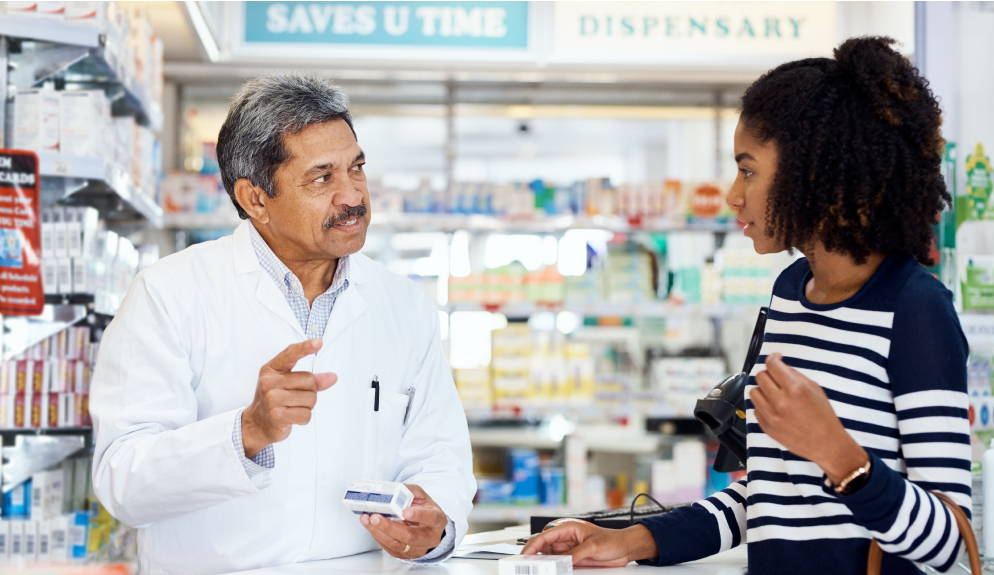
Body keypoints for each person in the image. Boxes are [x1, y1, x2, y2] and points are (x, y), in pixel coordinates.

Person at [523, 36, 970, 574]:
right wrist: (632, 538)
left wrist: (839, 455)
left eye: (749, 169)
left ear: (813, 172)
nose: (734, 194)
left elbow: (950, 541)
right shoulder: (789, 292)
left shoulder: (915, 309)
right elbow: (768, 495)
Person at [89, 73, 475, 575]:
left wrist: (436, 526)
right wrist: (245, 432)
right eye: (322, 178)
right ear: (255, 200)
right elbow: (122, 482)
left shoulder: (403, 304)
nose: (352, 195)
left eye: (356, 168)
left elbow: (441, 454)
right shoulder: (170, 293)